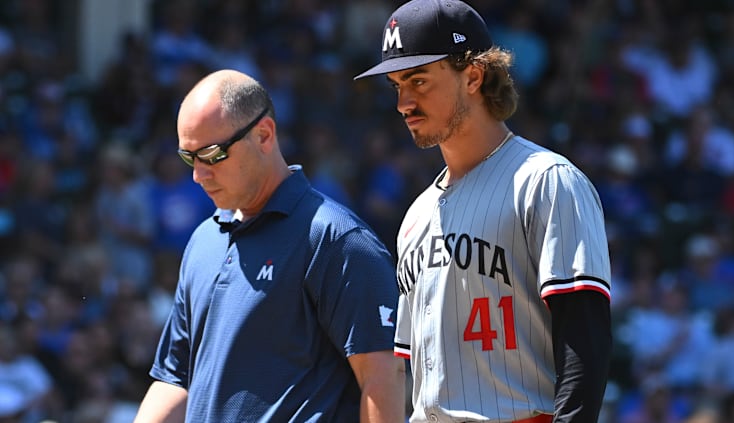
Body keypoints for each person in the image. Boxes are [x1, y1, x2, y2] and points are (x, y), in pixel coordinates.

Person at [354, 0, 612, 421]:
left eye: (418, 81)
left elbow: (586, 341)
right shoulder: (415, 218)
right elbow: (408, 373)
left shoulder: (546, 181)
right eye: (397, 85)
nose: (404, 102)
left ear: (473, 75)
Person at [134, 69, 405, 422]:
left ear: (264, 135)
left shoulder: (336, 240)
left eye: (212, 154)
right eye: (189, 158)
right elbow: (176, 380)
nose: (198, 175)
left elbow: (382, 380)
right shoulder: (203, 240)